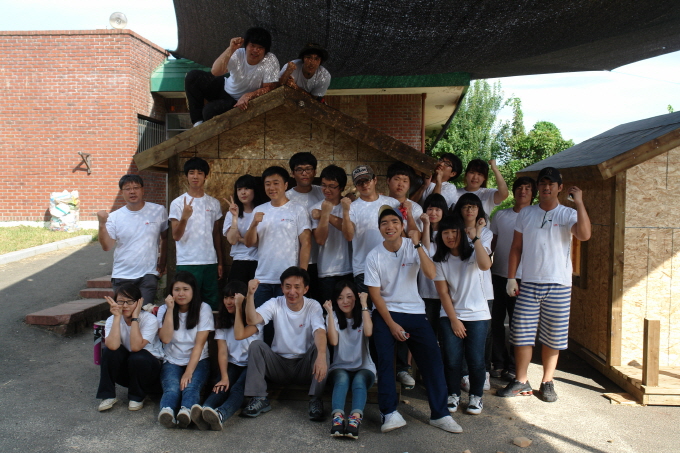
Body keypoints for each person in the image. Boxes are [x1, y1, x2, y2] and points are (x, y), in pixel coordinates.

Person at [365, 206, 462, 434]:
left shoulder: (413, 246)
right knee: (385, 362)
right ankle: (389, 412)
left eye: (394, 222)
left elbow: (431, 273)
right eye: (384, 223)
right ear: (379, 228)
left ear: (401, 226)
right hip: (386, 313)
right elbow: (375, 295)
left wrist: (417, 244)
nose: (389, 227)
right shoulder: (373, 256)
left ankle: (440, 414)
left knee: (432, 360)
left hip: (415, 312)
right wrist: (391, 324)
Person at [498, 167, 591, 402]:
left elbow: (584, 234)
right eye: (542, 183)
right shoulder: (526, 213)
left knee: (553, 336)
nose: (546, 187)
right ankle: (521, 380)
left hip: (559, 284)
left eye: (551, 184)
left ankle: (548, 381)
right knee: (521, 334)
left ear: (560, 187)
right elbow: (516, 247)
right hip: (529, 282)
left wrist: (579, 203)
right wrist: (511, 277)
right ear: (538, 187)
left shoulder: (568, 213)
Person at [241, 267, 328, 421]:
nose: (292, 291)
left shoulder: (313, 305)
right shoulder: (275, 303)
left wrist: (321, 356)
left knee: (321, 347)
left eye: (297, 287)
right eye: (288, 286)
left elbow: (319, 331)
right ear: (282, 288)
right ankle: (259, 398)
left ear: (306, 289)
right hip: (279, 365)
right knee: (256, 346)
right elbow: (251, 320)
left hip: (304, 366)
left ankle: (316, 400)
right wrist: (250, 294)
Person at [433, 215, 492, 415]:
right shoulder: (440, 260)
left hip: (478, 315)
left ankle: (476, 396)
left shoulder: (475, 252)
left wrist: (475, 238)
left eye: (454, 232)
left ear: (462, 233)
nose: (450, 236)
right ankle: (453, 394)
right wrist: (454, 320)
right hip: (451, 315)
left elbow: (485, 265)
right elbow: (443, 293)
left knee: (476, 359)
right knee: (452, 359)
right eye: (445, 233)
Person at [191, 281, 263, 431]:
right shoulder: (223, 320)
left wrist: (239, 307)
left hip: (252, 365)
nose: (229, 302)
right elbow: (222, 351)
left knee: (237, 389)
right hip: (233, 363)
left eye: (233, 298)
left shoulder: (255, 319)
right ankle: (204, 411)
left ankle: (221, 415)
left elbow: (239, 335)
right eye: (226, 297)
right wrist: (224, 377)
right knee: (221, 386)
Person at [245, 166, 312, 312]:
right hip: (263, 279)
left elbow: (306, 243)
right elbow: (249, 243)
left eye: (276, 183)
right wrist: (254, 224)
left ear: (286, 185)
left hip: (289, 281)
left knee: (288, 320)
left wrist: (301, 276)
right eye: (268, 184)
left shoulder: (298, 209)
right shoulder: (259, 210)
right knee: (262, 321)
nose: (272, 188)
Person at [489, 176, 536, 380]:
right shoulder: (500, 215)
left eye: (527, 188)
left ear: (533, 193)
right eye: (519, 188)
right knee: (496, 322)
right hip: (498, 274)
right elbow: (491, 244)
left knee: (519, 324)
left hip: (524, 278)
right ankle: (498, 362)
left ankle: (514, 366)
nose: (522, 191)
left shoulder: (536, 216)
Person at [185, 27, 280, 126]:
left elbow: (269, 88)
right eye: (252, 45)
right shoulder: (239, 53)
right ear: (246, 45)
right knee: (193, 76)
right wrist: (231, 49)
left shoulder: (270, 60)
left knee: (209, 111)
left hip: (238, 101)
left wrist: (249, 95)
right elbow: (215, 71)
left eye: (260, 47)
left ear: (265, 50)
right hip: (225, 86)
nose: (255, 50)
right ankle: (197, 123)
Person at [97, 174, 168, 305]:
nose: (132, 191)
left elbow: (165, 238)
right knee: (124, 313)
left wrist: (162, 263)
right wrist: (102, 224)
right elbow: (107, 246)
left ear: (143, 190)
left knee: (145, 311)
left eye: (136, 187)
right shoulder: (114, 217)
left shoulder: (158, 210)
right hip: (122, 275)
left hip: (148, 274)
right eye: (127, 188)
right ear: (121, 193)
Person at [157, 271, 215, 428]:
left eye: (185, 289)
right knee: (172, 388)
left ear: (193, 290)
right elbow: (165, 339)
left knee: (191, 387)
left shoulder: (203, 308)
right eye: (176, 289)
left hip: (198, 360)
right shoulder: (163, 309)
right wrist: (170, 310)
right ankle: (167, 412)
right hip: (171, 359)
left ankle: (186, 411)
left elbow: (199, 345)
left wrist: (188, 372)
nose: (181, 294)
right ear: (171, 292)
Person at [96, 283, 163, 412]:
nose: (125, 305)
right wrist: (117, 317)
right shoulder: (112, 319)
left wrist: (135, 318)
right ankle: (108, 395)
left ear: (139, 302)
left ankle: (137, 396)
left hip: (149, 372)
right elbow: (112, 346)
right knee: (109, 351)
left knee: (137, 356)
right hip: (129, 370)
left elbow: (136, 347)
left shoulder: (149, 319)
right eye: (121, 301)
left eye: (130, 301)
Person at [451, 193, 494, 392]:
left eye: (474, 207)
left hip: (484, 291)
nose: (469, 210)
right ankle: (465, 374)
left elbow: (483, 259)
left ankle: (484, 371)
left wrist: (478, 232)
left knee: (484, 335)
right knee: (461, 334)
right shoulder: (453, 233)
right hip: (460, 290)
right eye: (465, 206)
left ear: (479, 210)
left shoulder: (486, 233)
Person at [386, 162, 423, 389]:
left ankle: (402, 368)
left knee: (403, 317)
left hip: (407, 268)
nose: (400, 184)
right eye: (397, 179)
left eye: (405, 180)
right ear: (388, 181)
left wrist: (408, 214)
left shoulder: (415, 207)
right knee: (381, 318)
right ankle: (380, 366)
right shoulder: (381, 203)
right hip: (383, 267)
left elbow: (415, 236)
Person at [169, 157, 223, 310]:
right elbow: (176, 236)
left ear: (206, 176)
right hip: (187, 261)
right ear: (186, 176)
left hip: (209, 261)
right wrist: (184, 217)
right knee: (186, 303)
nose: (195, 176)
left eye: (200, 173)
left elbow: (216, 235)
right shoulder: (178, 203)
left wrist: (219, 261)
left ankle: (210, 327)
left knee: (211, 303)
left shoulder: (214, 203)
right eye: (191, 172)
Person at [323, 281, 375, 439]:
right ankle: (337, 418)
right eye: (340, 298)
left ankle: (355, 419)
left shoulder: (365, 314)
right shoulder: (333, 317)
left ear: (356, 298)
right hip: (340, 366)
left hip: (365, 366)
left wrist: (364, 304)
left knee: (359, 380)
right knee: (342, 379)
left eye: (349, 297)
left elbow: (368, 332)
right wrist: (330, 312)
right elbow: (333, 341)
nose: (345, 301)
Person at [341, 165, 400, 298]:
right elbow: (348, 236)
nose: (364, 185)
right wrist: (345, 211)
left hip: (392, 265)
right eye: (359, 182)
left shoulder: (392, 203)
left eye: (367, 180)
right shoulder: (352, 207)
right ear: (355, 185)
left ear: (375, 180)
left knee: (390, 306)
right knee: (366, 307)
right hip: (364, 268)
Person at [310, 164, 353, 304]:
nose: (326, 190)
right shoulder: (315, 208)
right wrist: (325, 213)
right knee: (329, 310)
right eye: (323, 185)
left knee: (349, 310)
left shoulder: (350, 206)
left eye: (332, 186)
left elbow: (349, 233)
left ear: (341, 187)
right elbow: (320, 240)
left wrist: (325, 214)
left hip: (349, 268)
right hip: (326, 270)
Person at [285, 152, 325, 302]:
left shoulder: (323, 192)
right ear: (292, 173)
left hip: (321, 260)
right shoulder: (286, 197)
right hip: (296, 260)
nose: (304, 173)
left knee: (319, 303)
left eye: (308, 169)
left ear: (315, 171)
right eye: (299, 169)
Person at [223, 174, 264, 284]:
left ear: (254, 190)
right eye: (239, 189)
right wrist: (235, 217)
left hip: (259, 261)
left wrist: (242, 239)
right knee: (236, 292)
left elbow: (263, 241)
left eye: (247, 188)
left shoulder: (263, 212)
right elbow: (232, 240)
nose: (243, 192)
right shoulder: (231, 214)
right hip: (239, 260)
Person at [418, 193, 449, 336]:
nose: (433, 213)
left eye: (437, 209)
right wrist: (426, 225)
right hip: (426, 290)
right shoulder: (421, 231)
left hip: (446, 291)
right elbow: (425, 251)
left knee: (444, 333)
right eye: (430, 209)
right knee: (429, 332)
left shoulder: (449, 232)